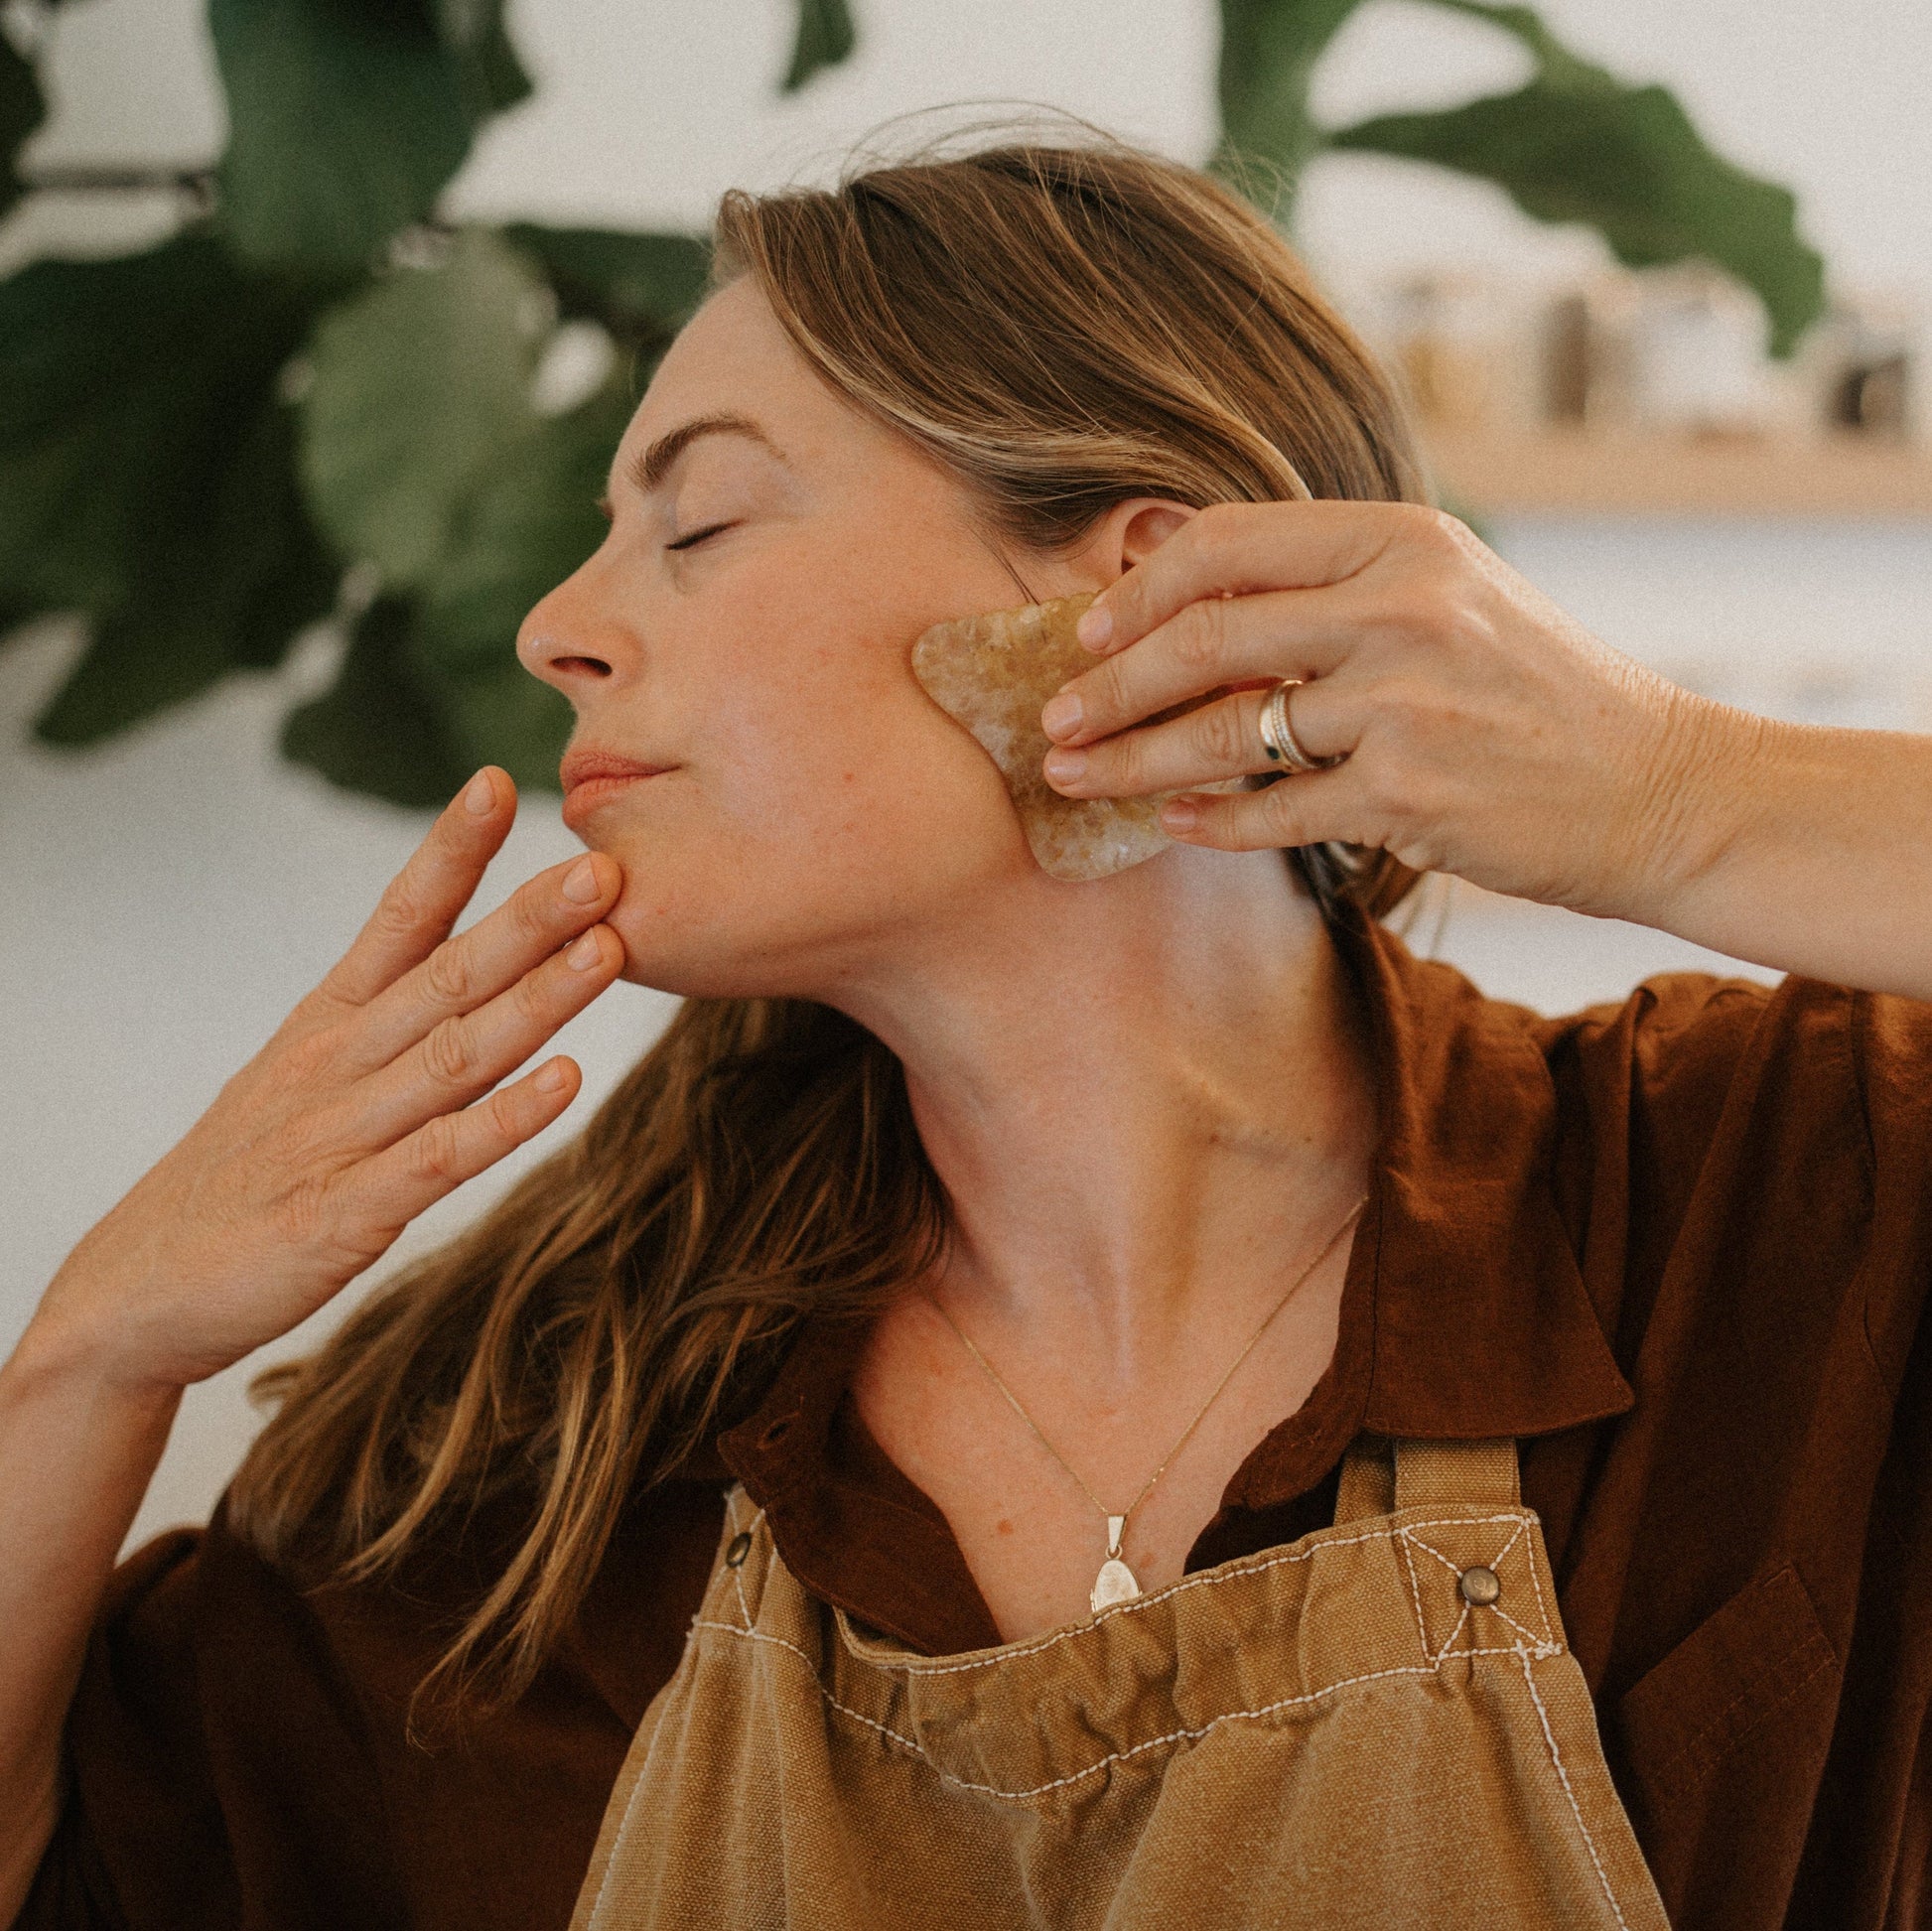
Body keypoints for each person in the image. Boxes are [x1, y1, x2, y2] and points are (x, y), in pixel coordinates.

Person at [2, 134, 1928, 1931]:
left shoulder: (1774, 1209)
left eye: (700, 520)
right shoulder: (531, 1468)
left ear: (1134, 591)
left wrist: (1674, 791)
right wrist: (91, 1356)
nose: (554, 627)